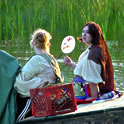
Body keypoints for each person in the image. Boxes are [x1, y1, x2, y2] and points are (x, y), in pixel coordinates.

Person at [14, 28, 64, 120]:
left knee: (16, 119)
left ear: (33, 43)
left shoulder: (37, 60)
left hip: (35, 100)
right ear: (48, 44)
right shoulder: (52, 59)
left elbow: (20, 82)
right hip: (51, 99)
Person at [64, 22, 116, 99]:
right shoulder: (89, 50)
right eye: (83, 32)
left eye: (87, 32)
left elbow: (93, 80)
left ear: (94, 35)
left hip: (87, 93)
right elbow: (85, 72)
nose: (84, 34)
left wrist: (93, 98)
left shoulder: (95, 52)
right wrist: (71, 64)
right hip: (81, 90)